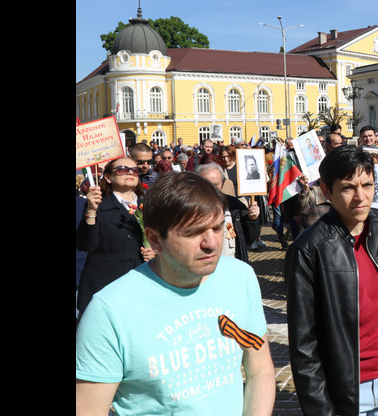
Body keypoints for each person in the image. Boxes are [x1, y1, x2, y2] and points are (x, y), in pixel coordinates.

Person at [76, 172, 275, 415]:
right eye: (193, 232)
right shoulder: (109, 311)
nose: (212, 243)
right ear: (154, 240)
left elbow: (259, 370)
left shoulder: (240, 276)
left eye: (217, 227)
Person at [286, 146, 378, 415]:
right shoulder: (308, 249)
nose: (361, 197)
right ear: (327, 191)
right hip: (344, 392)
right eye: (348, 188)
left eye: (368, 185)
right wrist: (321, 410)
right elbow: (303, 344)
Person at [76, 157, 156, 323]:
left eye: (135, 170)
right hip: (106, 283)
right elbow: (86, 244)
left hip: (142, 281)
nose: (130, 173)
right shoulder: (99, 204)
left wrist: (155, 252)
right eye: (122, 169)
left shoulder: (149, 204)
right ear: (108, 177)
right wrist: (91, 211)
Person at [197, 163, 260, 262]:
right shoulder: (189, 209)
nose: (211, 189)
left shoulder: (234, 206)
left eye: (215, 184)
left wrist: (251, 219)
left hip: (231, 266)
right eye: (206, 184)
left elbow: (249, 238)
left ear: (222, 184)